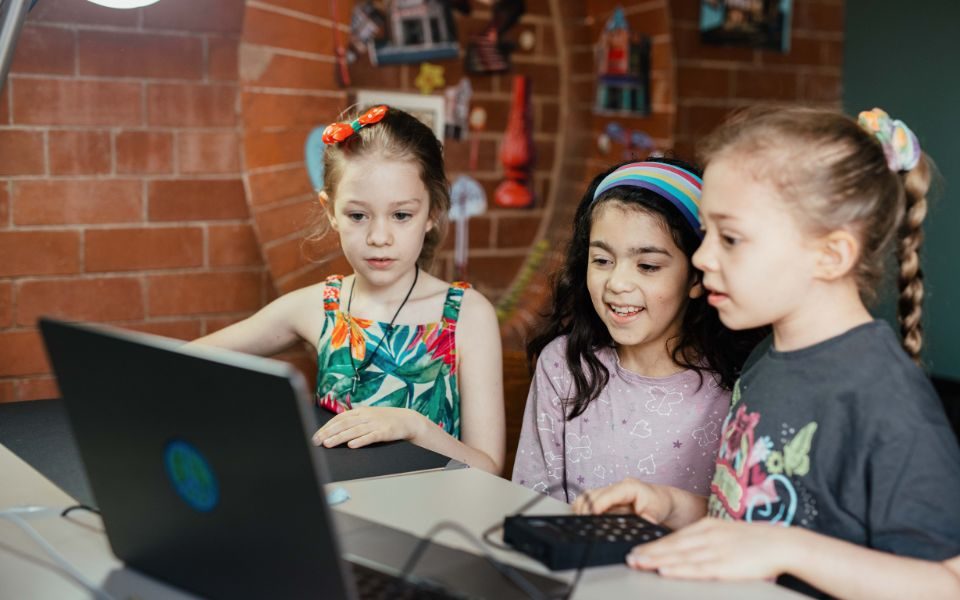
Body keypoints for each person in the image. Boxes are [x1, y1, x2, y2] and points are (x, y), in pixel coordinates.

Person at [573, 107, 960, 596]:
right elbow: (752, 523)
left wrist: (787, 548)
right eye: (707, 232)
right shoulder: (764, 362)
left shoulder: (884, 396)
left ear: (830, 254)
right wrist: (670, 504)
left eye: (730, 238)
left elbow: (947, 584)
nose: (702, 257)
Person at [193, 105, 505, 474]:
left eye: (401, 215)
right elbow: (178, 361)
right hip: (339, 517)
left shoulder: (467, 314)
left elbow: (489, 469)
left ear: (433, 212)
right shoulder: (318, 307)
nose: (378, 238)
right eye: (358, 215)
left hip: (430, 519)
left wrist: (412, 426)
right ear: (330, 210)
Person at [512, 158, 762, 502]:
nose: (617, 283)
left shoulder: (737, 386)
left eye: (647, 266)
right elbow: (531, 499)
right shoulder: (563, 366)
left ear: (696, 276)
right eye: (602, 260)